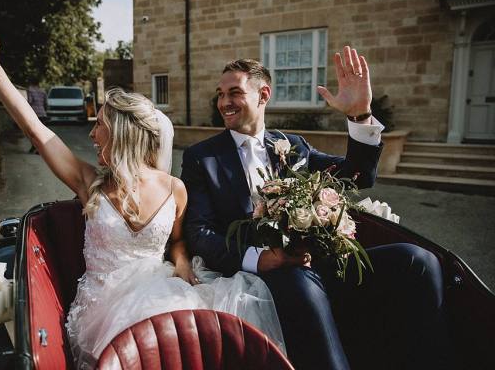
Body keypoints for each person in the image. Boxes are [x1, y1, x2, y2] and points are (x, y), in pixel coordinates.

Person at [0, 40, 285, 369]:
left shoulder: (175, 188)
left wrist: (180, 262)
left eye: (99, 126)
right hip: (103, 309)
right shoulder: (89, 182)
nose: (92, 135)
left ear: (122, 134)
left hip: (161, 290)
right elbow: (37, 132)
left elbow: (177, 241)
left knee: (197, 342)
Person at [180, 47, 451, 370]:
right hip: (261, 275)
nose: (224, 102)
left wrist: (359, 115)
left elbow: (356, 175)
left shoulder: (293, 146)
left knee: (418, 260)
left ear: (263, 94)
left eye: (234, 93)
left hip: (316, 262)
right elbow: (199, 233)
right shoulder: (201, 157)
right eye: (221, 94)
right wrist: (263, 259)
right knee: (301, 285)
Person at [25, 81, 48, 153]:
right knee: (41, 133)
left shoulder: (30, 90)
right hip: (43, 114)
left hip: (34, 114)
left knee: (33, 132)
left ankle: (36, 148)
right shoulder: (43, 91)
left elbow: (30, 101)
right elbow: (46, 103)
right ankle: (37, 148)